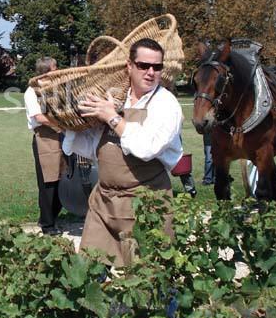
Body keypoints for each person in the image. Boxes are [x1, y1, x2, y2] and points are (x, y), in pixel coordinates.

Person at [64, 38, 183, 266]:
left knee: (151, 280)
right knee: (89, 271)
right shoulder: (115, 98)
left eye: (157, 67)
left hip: (146, 204)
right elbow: (90, 148)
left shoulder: (165, 105)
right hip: (104, 201)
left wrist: (111, 117)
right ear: (129, 66)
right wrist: (73, 125)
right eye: (143, 65)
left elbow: (145, 148)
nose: (150, 72)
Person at [24, 57, 65, 235]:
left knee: (63, 182)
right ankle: (47, 225)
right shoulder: (31, 92)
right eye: (55, 67)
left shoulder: (57, 88)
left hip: (61, 137)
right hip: (45, 139)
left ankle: (49, 217)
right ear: (48, 70)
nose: (57, 70)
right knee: (48, 183)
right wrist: (58, 124)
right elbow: (38, 117)